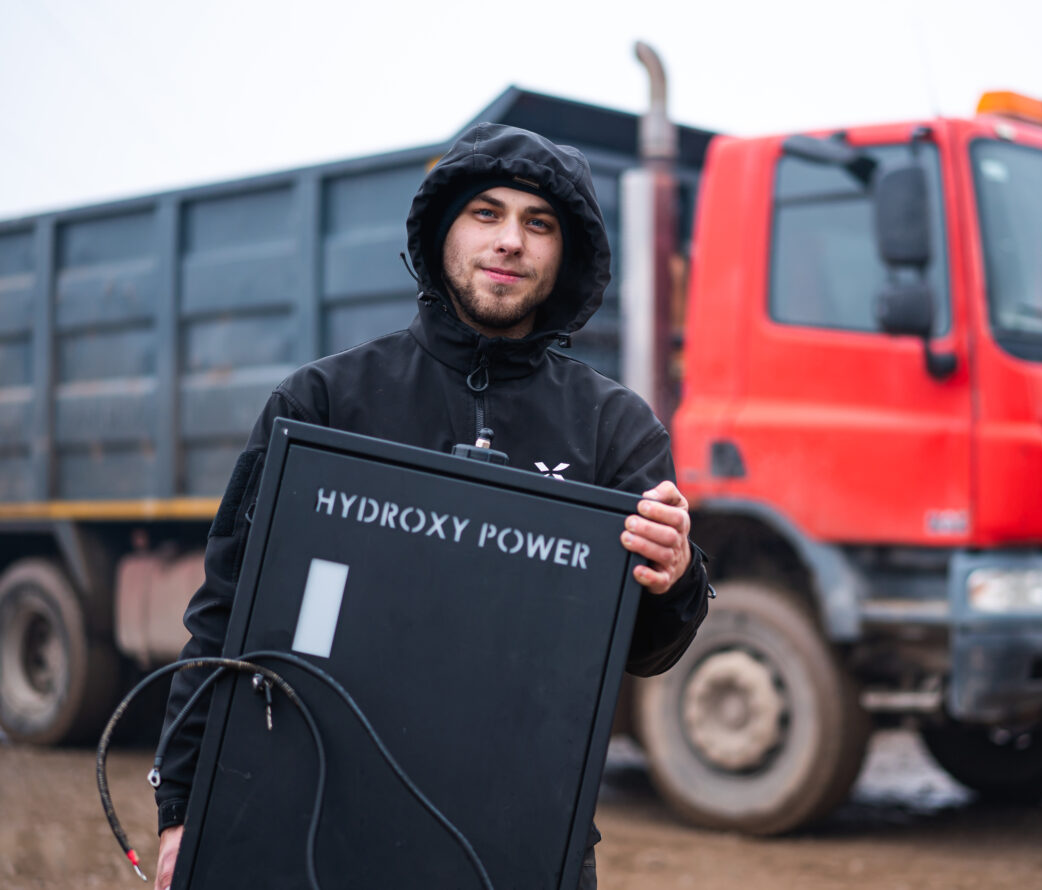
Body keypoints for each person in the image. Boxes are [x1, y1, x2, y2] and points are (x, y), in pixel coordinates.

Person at [152, 122, 711, 890]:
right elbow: (223, 617)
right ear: (443, 227)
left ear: (565, 253)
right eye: (486, 213)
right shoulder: (321, 404)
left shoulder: (614, 430)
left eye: (537, 223)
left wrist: (674, 575)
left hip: (523, 840)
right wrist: (183, 806)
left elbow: (643, 652)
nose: (510, 240)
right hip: (324, 819)